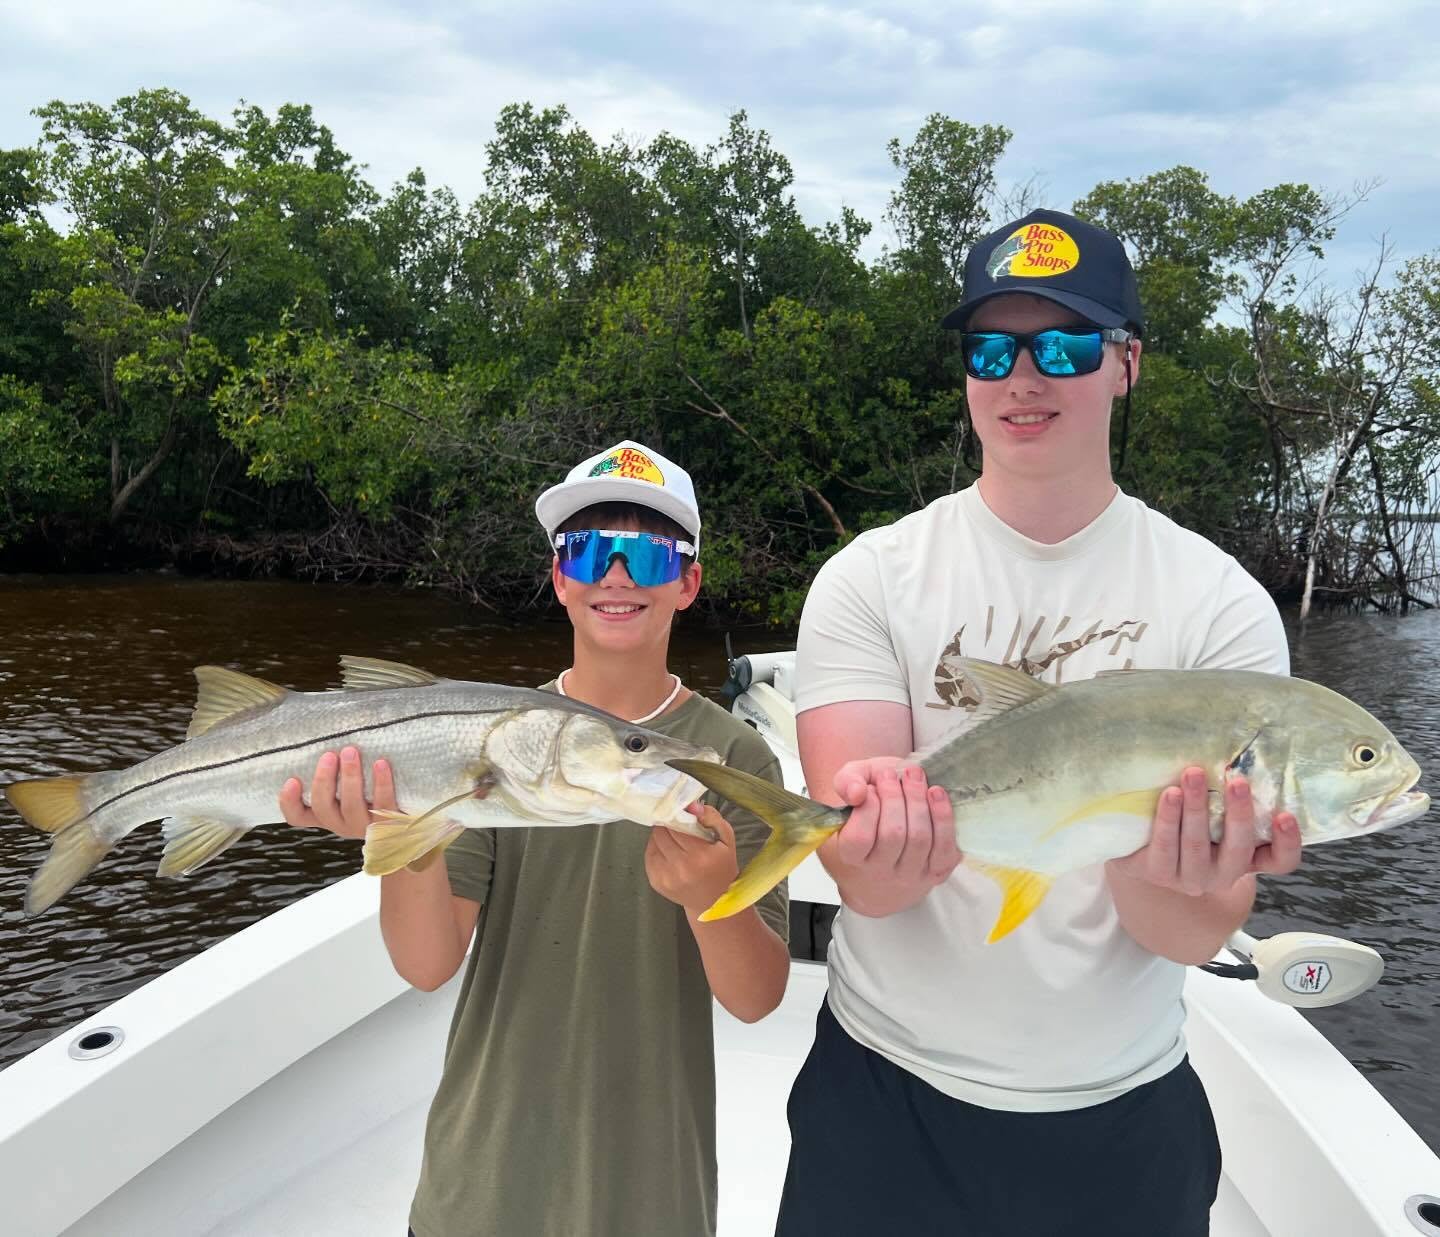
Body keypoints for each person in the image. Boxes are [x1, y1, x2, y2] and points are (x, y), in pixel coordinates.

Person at [776, 209, 1301, 1236]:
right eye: (991, 348)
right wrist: (879, 844)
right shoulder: (870, 578)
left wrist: (1180, 869)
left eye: (1063, 345)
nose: (1024, 377)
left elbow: (1186, 930)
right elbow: (867, 889)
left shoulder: (1221, 604)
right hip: (883, 1098)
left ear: (1127, 364)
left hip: (1121, 1113)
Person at [277, 440, 791, 1237]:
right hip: (480, 1190)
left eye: (649, 555)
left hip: (652, 1194)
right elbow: (427, 962)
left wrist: (709, 899)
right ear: (559, 577)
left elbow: (757, 999)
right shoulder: (494, 735)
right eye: (587, 549)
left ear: (687, 582)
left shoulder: (736, 756)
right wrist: (397, 826)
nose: (615, 575)